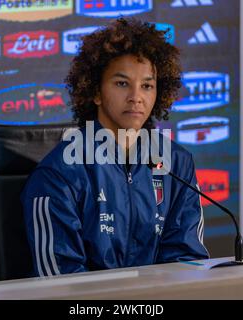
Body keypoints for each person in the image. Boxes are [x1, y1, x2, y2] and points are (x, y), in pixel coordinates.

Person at [20, 18, 209, 277]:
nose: (136, 97)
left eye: (147, 85)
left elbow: (187, 263)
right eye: (122, 83)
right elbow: (60, 283)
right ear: (95, 92)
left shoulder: (177, 163)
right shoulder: (58, 174)